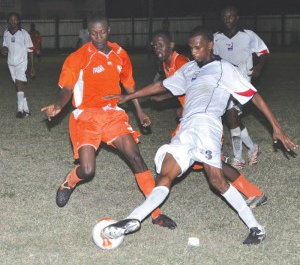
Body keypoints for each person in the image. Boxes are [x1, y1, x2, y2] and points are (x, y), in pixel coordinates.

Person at [101, 26, 298, 245]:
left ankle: (256, 228)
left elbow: (255, 97)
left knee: (217, 181)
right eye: (191, 48)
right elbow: (161, 85)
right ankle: (133, 219)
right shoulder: (189, 69)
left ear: (210, 45)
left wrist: (276, 127)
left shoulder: (225, 68)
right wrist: (130, 96)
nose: (194, 52)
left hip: (207, 127)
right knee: (165, 174)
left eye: (198, 47)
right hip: (186, 127)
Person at [41, 14, 176, 229]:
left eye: (102, 32)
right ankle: (70, 182)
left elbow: (130, 87)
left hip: (113, 114)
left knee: (137, 159)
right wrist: (58, 105)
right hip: (86, 116)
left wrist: (139, 111)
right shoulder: (78, 57)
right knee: (87, 170)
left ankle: (156, 213)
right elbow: (67, 88)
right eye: (93, 33)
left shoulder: (120, 54)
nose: (98, 37)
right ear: (88, 33)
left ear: (109, 30)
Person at [151, 30, 267, 208]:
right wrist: (169, 99)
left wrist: (182, 105)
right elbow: (179, 86)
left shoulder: (181, 62)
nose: (157, 49)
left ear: (170, 46)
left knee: (207, 164)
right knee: (210, 163)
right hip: (191, 121)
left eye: (161, 45)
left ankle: (153, 207)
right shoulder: (167, 64)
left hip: (200, 121)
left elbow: (196, 86)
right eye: (154, 45)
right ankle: (254, 193)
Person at [213, 5, 270, 170]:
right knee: (233, 119)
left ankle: (238, 158)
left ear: (237, 18)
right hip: (224, 83)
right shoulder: (216, 38)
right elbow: (212, 58)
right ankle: (253, 148)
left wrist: (259, 67)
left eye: (231, 16)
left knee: (231, 116)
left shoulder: (248, 35)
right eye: (224, 16)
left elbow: (264, 52)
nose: (227, 19)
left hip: (243, 83)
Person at [1, 12, 35, 118]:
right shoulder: (6, 33)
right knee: (17, 87)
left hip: (22, 62)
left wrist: (32, 67)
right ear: (8, 21)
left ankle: (20, 110)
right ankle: (27, 110)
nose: (13, 21)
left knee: (19, 83)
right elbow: (4, 46)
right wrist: (3, 50)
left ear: (18, 21)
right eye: (11, 19)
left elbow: (30, 50)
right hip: (11, 63)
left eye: (15, 19)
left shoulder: (24, 33)